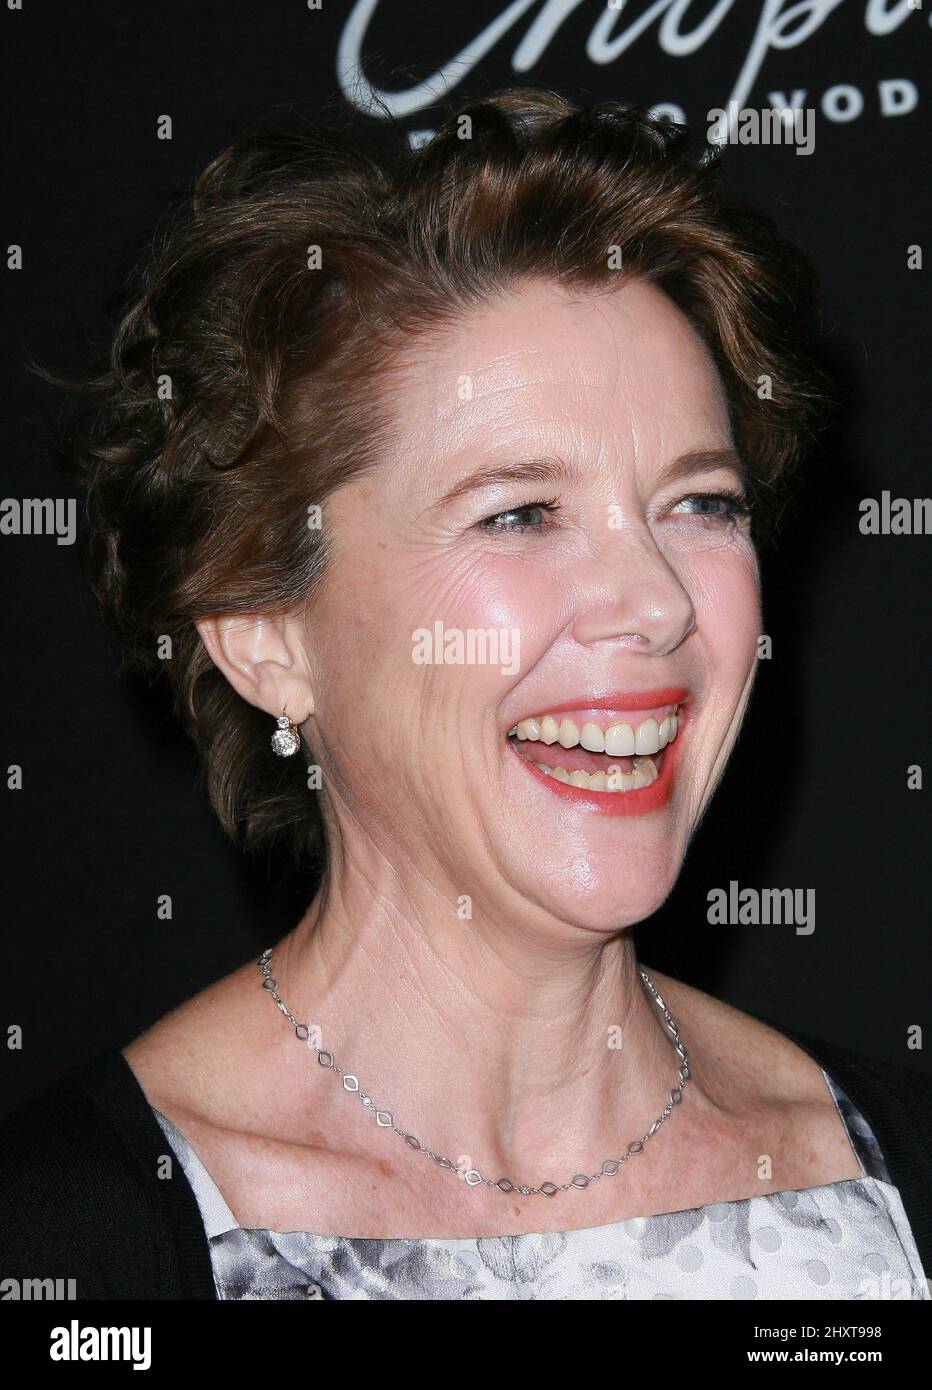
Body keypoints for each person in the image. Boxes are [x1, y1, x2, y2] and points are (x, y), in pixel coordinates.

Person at [2, 87, 929, 1301]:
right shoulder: (70, 1250)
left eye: (698, 502)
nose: (654, 601)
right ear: (262, 631)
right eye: (521, 512)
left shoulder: (890, 1175)